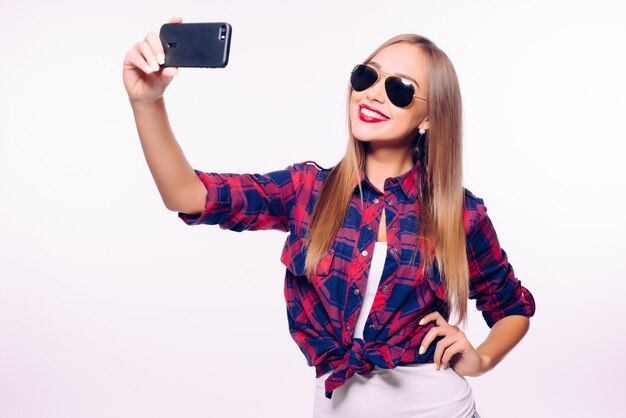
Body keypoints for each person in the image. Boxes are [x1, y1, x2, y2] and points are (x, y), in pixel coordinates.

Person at [123, 16, 536, 418]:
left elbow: (512, 307)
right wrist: (147, 102)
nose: (373, 94)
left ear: (429, 118)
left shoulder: (457, 211)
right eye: (366, 77)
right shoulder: (307, 190)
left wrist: (480, 359)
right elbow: (189, 196)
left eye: (399, 89)